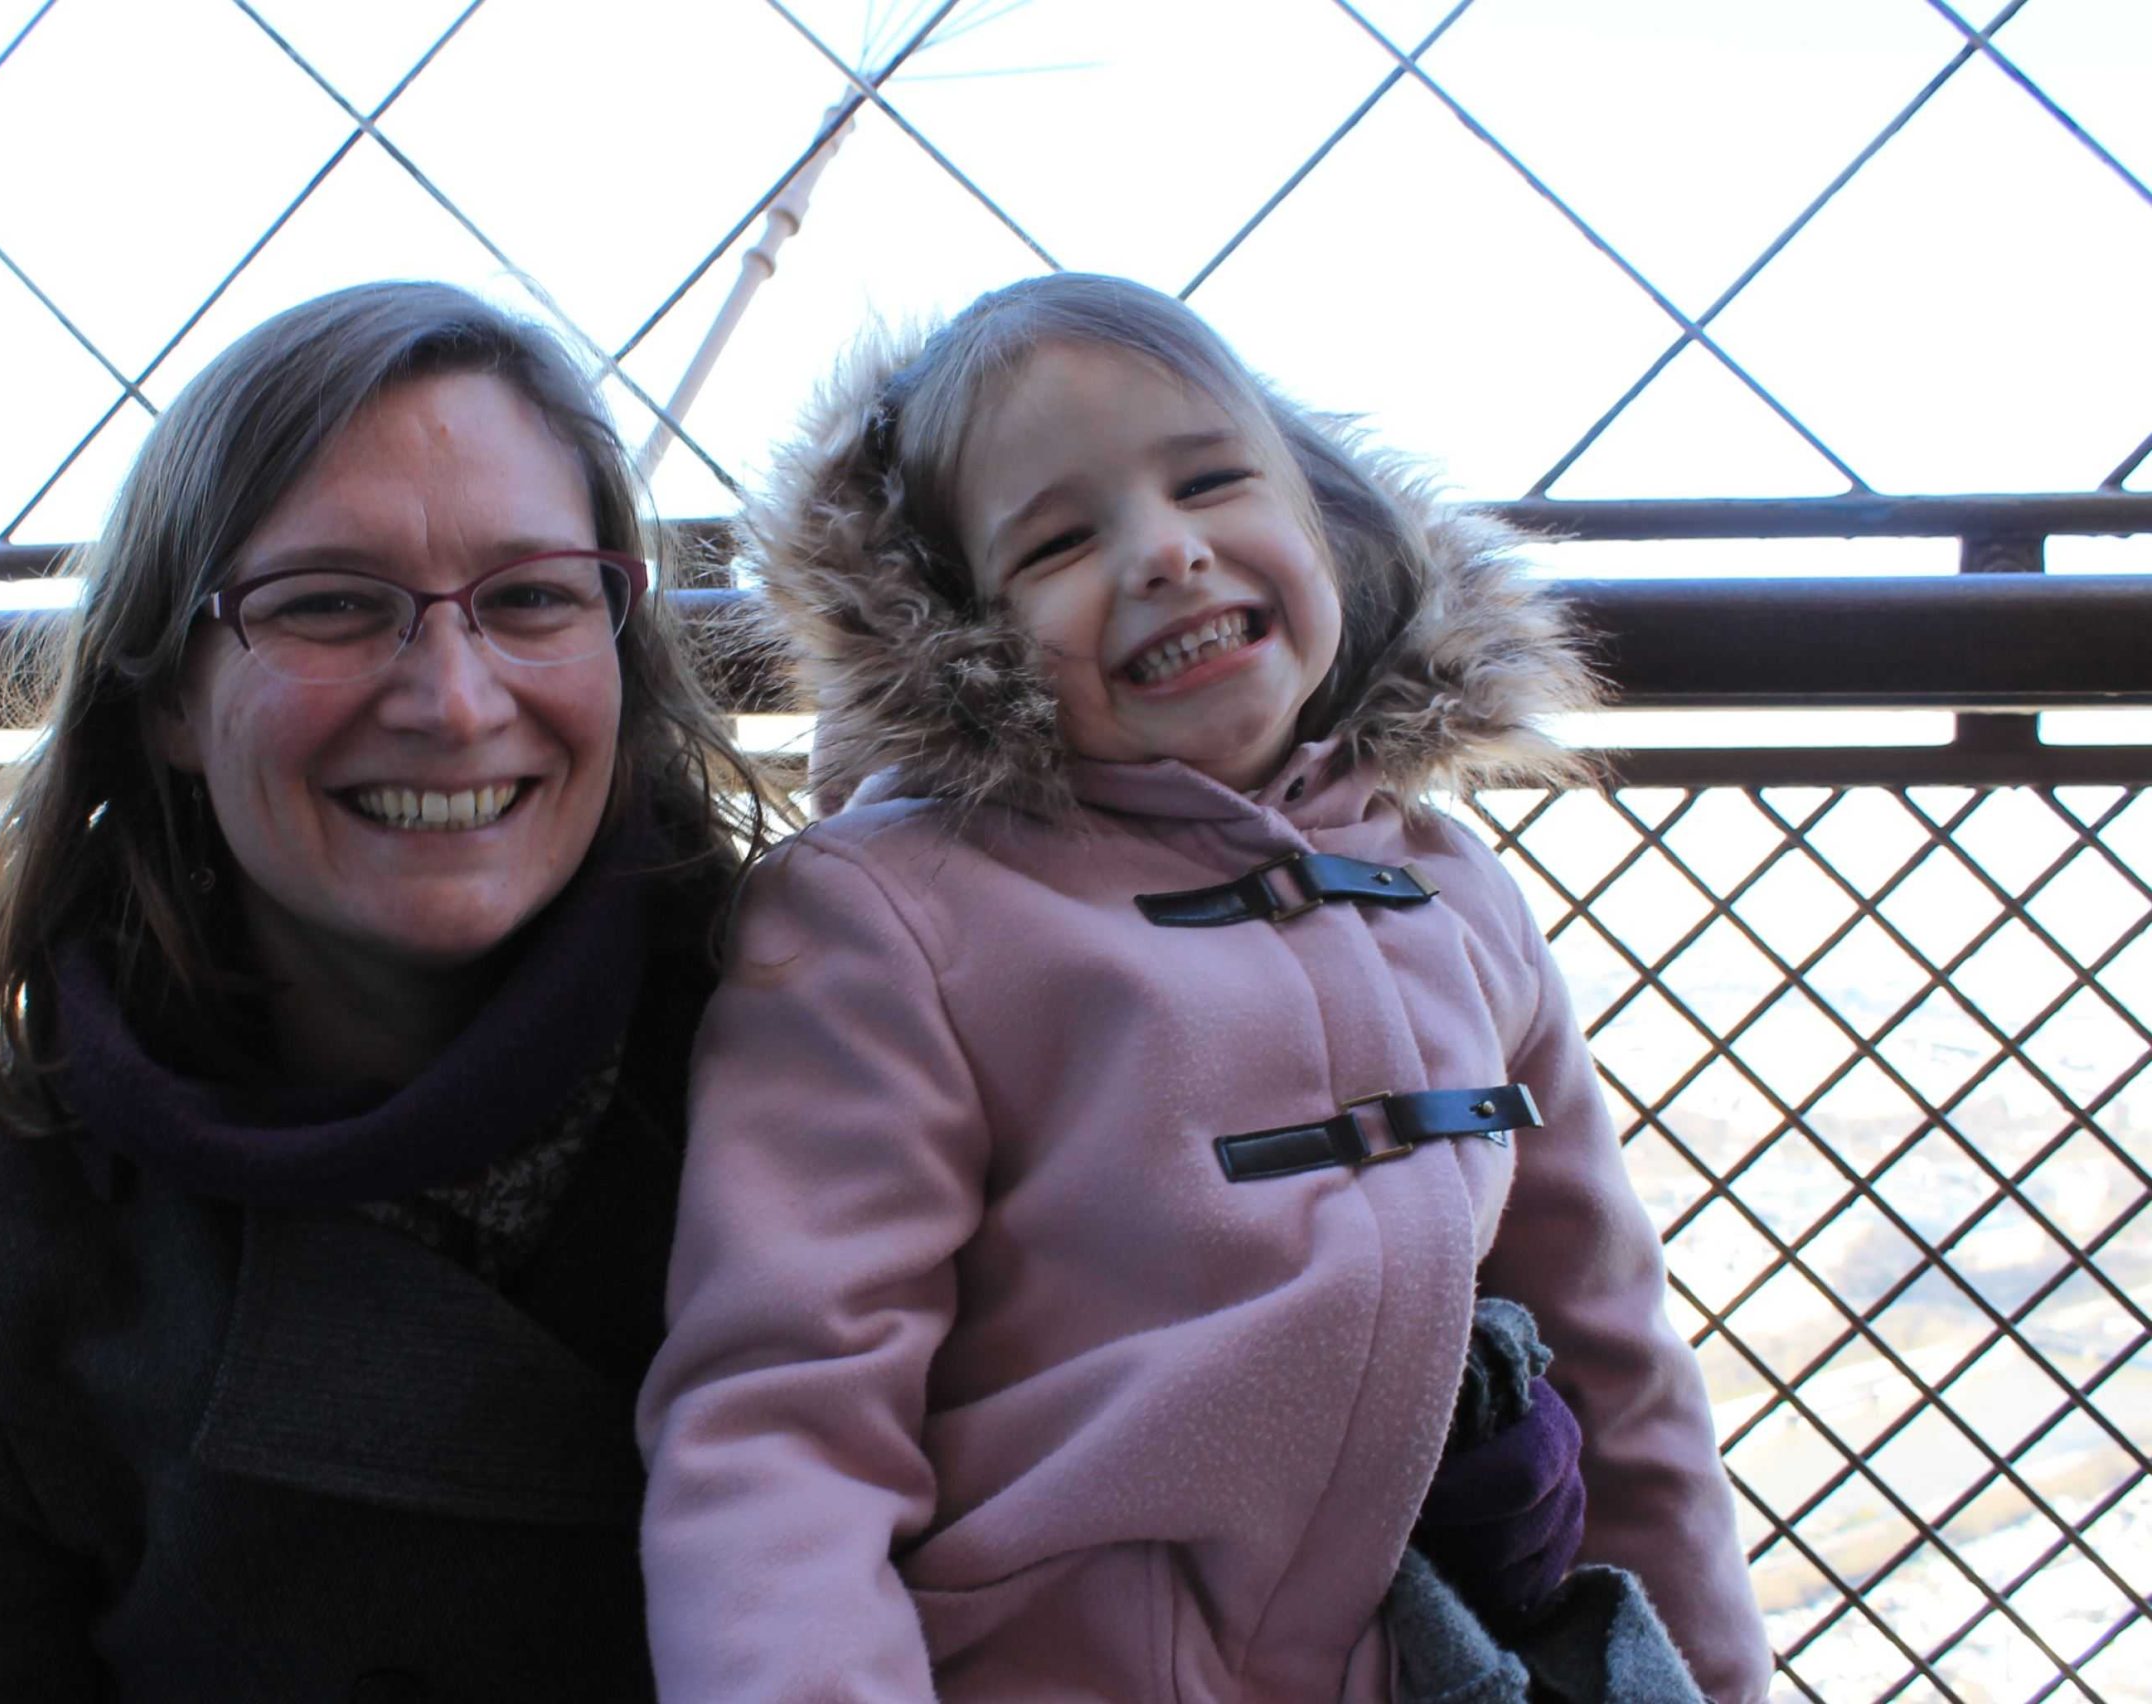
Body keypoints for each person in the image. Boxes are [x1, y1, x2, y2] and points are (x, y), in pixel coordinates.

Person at [637, 274, 1774, 1702]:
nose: (1166, 552)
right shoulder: (892, 920)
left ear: (1323, 520)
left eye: (1214, 480)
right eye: (1058, 540)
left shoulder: (1454, 894)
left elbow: (1614, 1356)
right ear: (958, 630)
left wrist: (1709, 1676)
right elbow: (792, 1417)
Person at [0, 281, 774, 1699]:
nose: (455, 701)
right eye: (332, 605)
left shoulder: (875, 1083)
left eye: (534, 596)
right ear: (168, 697)